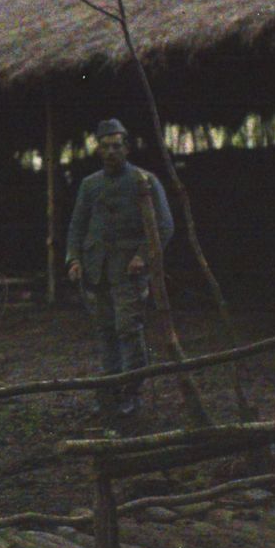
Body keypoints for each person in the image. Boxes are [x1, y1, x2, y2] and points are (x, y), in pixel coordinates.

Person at [64, 118, 174, 424]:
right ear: (98, 149)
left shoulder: (144, 181)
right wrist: (73, 259)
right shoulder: (90, 185)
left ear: (126, 147)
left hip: (129, 272)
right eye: (105, 146)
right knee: (106, 331)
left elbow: (164, 226)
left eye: (116, 146)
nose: (111, 152)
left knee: (128, 329)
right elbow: (76, 225)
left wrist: (143, 255)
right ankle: (110, 391)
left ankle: (131, 393)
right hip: (95, 271)